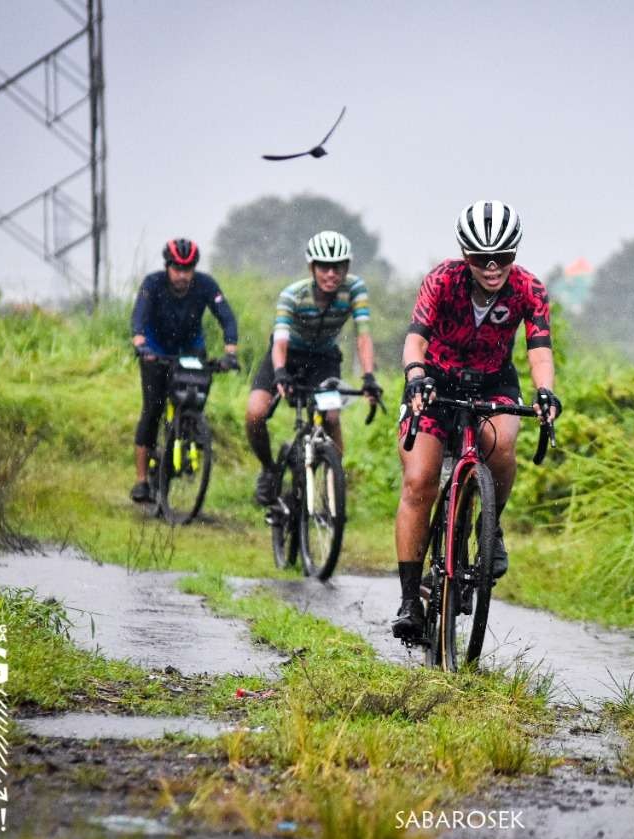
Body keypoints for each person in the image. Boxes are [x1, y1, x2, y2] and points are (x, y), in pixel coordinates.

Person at [391, 200, 561, 640]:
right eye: (482, 259)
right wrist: (415, 376)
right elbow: (415, 339)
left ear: (514, 254)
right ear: (465, 256)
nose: (492, 268)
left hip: (493, 383)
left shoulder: (528, 288)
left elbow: (538, 348)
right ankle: (410, 600)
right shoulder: (442, 280)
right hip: (437, 381)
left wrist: (545, 391)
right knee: (420, 481)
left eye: (503, 258)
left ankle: (490, 527)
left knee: (502, 445)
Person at [246, 230, 382, 505]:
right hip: (286, 356)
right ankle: (269, 469)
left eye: (338, 267)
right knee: (255, 413)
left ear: (347, 267)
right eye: (324, 267)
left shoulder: (355, 289)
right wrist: (281, 373)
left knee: (331, 419)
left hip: (323, 360)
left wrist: (369, 376)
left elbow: (363, 334)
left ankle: (333, 490)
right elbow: (280, 341)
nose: (331, 274)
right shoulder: (292, 295)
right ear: (312, 267)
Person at [129, 238, 239, 503]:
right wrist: (141, 345)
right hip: (155, 350)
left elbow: (226, 316)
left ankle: (189, 435)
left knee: (193, 404)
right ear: (168, 267)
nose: (182, 275)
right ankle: (142, 480)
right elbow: (139, 317)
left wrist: (230, 352)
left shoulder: (205, 285)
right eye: (177, 269)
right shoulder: (153, 284)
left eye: (188, 269)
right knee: (152, 410)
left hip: (190, 349)